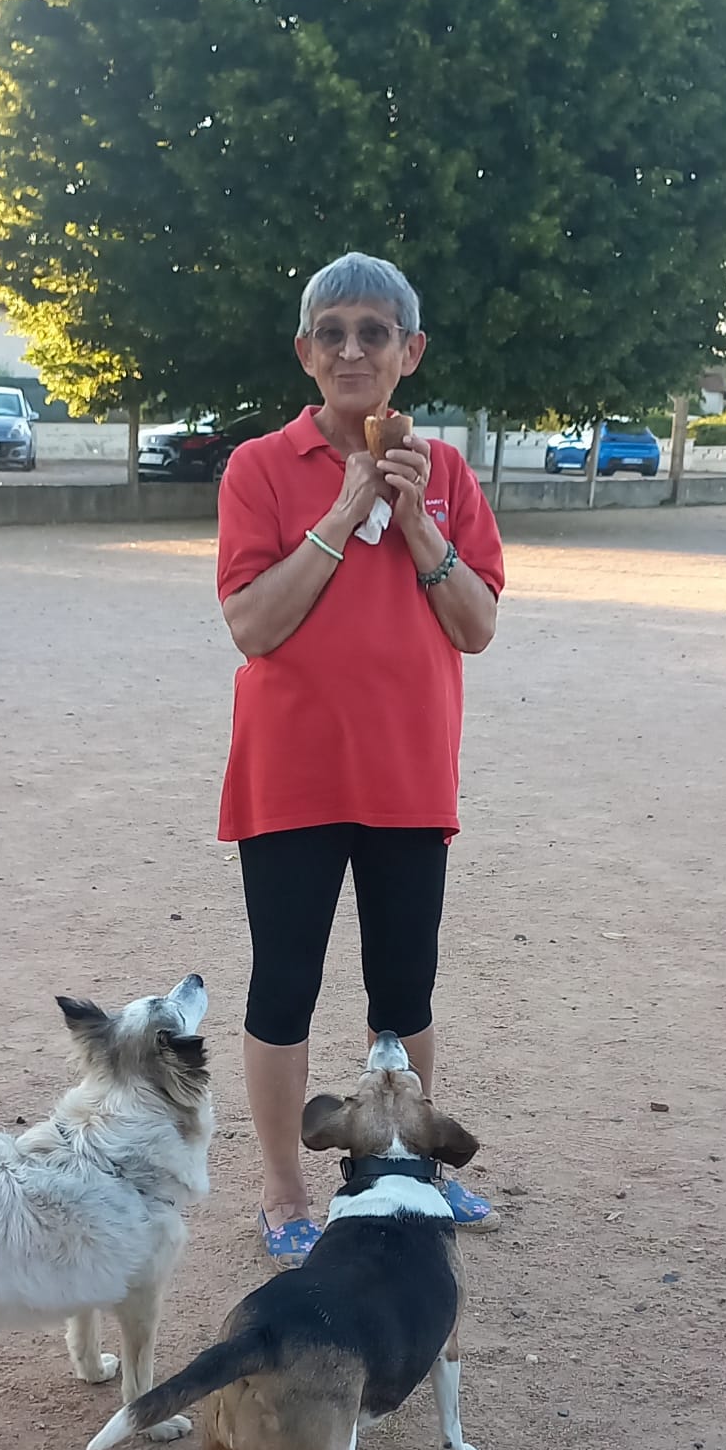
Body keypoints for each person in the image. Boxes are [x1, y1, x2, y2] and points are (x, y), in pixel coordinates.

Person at [216, 252, 505, 1259]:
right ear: (305, 352)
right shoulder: (259, 467)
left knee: (406, 990)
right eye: (331, 331)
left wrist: (418, 518)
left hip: (407, 772)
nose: (351, 349)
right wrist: (343, 508)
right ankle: (287, 1187)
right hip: (289, 776)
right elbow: (253, 623)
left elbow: (476, 625)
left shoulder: (452, 475)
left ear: (408, 352)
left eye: (373, 332)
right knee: (283, 985)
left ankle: (409, 1171)